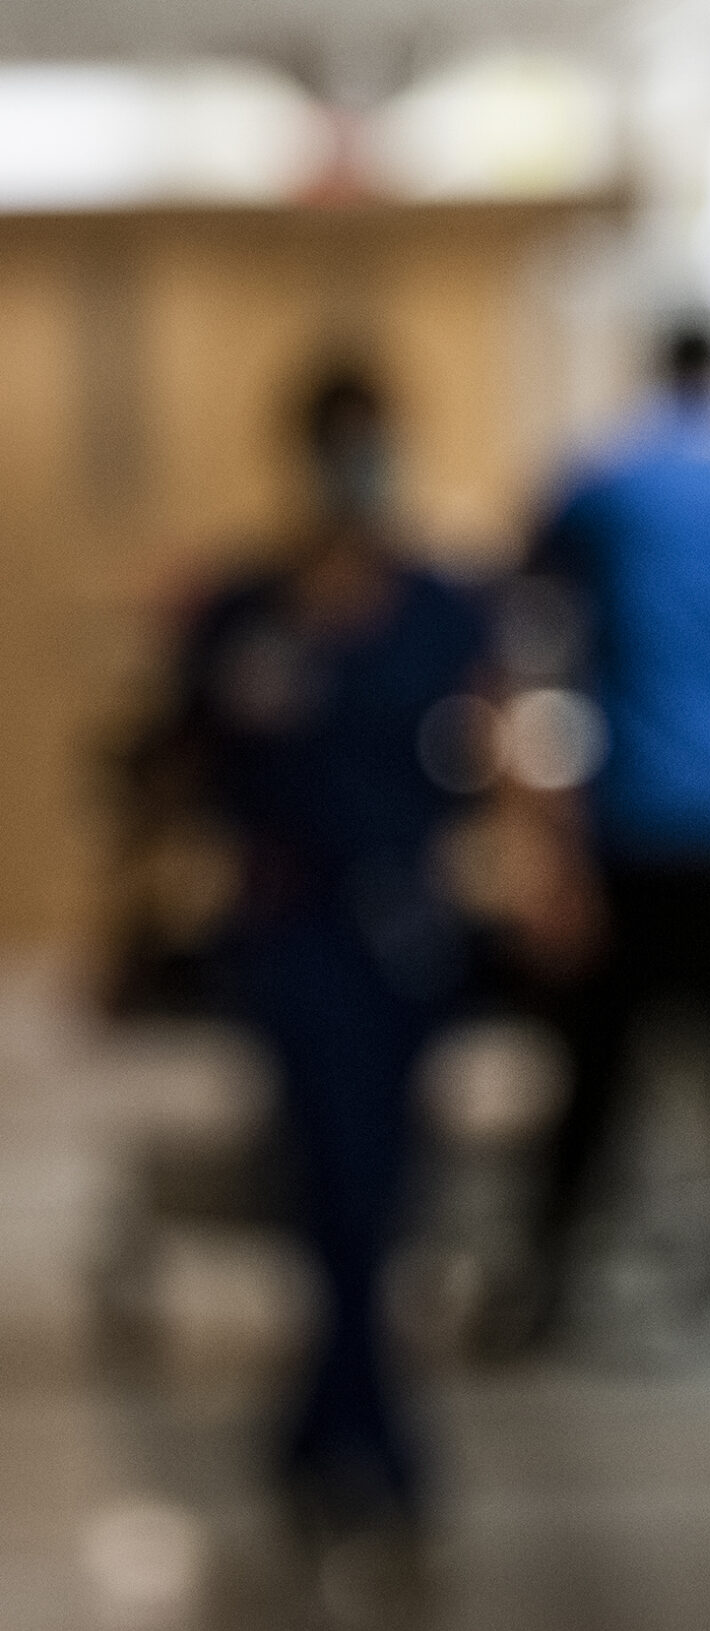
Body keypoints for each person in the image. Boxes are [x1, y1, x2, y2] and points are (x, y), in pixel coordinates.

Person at [165, 363, 487, 1567]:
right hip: (292, 934)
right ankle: (383, 1455)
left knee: (384, 1189)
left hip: (406, 935)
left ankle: (316, 1437)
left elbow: (495, 735)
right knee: (331, 1183)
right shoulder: (244, 608)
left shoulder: (443, 602)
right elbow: (178, 762)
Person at [515, 322, 710, 1341]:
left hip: (633, 823)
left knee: (592, 1076)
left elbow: (533, 592)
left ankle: (543, 1290)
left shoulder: (603, 485)